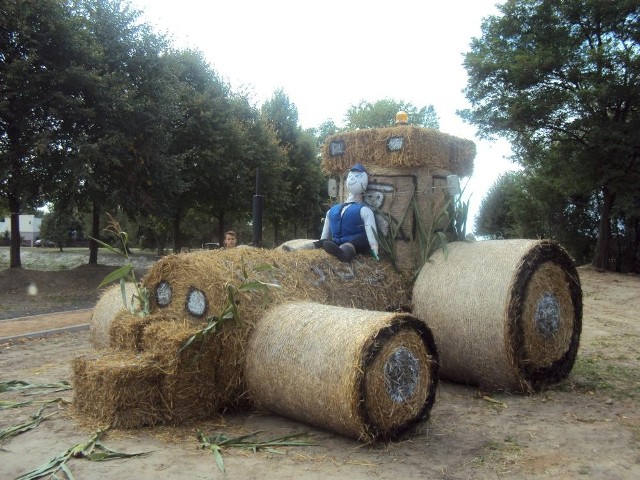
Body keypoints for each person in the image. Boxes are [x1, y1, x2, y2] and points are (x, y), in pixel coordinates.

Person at [319, 163, 379, 262]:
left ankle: (342, 252)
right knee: (325, 242)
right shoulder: (363, 210)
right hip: (343, 243)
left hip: (345, 242)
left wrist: (375, 252)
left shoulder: (333, 211)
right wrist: (375, 251)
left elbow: (324, 237)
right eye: (350, 176)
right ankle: (343, 253)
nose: (352, 179)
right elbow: (324, 236)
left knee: (359, 241)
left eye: (357, 176)